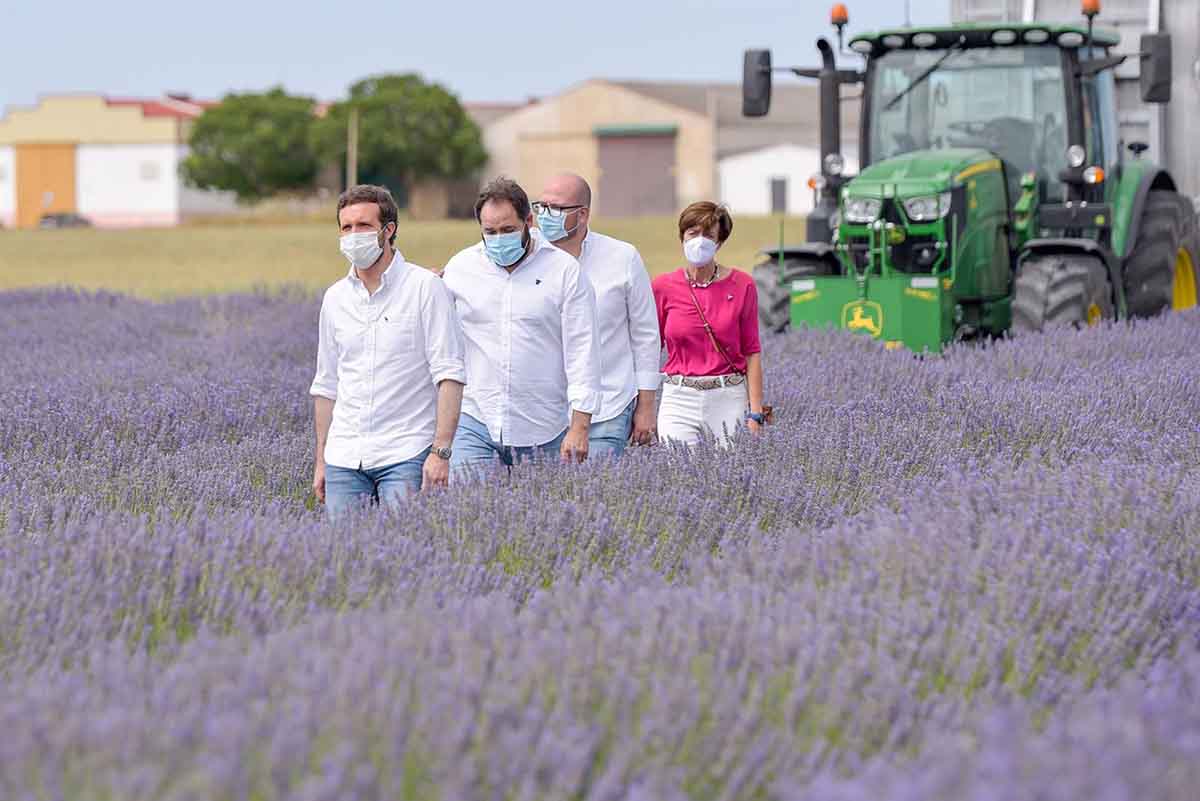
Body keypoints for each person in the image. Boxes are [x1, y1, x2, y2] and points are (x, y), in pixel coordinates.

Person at [309, 184, 466, 517]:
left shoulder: (425, 288)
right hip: (344, 458)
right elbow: (326, 386)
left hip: (406, 453)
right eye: (346, 227)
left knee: (405, 553)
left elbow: (450, 375)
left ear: (388, 230)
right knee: (343, 560)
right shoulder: (335, 299)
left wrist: (441, 452)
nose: (353, 235)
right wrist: (321, 460)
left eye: (363, 226)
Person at [441, 177, 601, 476]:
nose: (499, 239)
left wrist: (580, 426)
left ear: (529, 220)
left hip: (543, 428)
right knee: (470, 514)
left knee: (544, 518)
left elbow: (583, 351)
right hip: (476, 421)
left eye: (508, 230)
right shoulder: (461, 268)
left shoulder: (564, 271)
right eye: (490, 232)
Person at [535, 173, 660, 457]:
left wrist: (646, 406)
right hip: (543, 413)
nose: (545, 216)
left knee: (594, 493)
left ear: (582, 215)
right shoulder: (527, 256)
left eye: (555, 209)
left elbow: (646, 335)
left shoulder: (622, 257)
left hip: (608, 405)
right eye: (541, 207)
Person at [652, 202, 765, 445]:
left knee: (731, 476)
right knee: (676, 474)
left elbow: (752, 352)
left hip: (728, 396)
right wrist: (643, 407)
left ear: (719, 242)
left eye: (708, 235)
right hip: (679, 397)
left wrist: (755, 412)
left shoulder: (742, 284)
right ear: (682, 237)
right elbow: (650, 349)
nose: (699, 241)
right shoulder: (663, 287)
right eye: (693, 233)